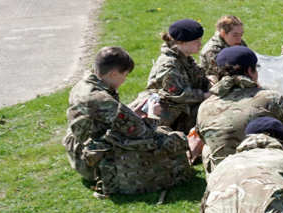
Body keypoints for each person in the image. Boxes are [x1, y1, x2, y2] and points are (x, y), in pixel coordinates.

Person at [64, 46, 189, 196]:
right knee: (170, 139)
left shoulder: (85, 85)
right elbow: (143, 133)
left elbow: (105, 120)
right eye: (125, 75)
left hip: (81, 150)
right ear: (114, 74)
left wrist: (132, 115)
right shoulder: (99, 98)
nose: (125, 79)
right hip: (95, 162)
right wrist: (152, 115)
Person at [196, 46, 283, 172]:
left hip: (224, 175)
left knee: (207, 149)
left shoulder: (205, 106)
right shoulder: (270, 97)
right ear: (249, 71)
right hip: (266, 171)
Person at [134, 19, 211, 132]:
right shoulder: (169, 64)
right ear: (181, 42)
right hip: (165, 112)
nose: (200, 44)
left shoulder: (185, 58)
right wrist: (206, 95)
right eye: (196, 41)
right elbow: (177, 94)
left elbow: (197, 79)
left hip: (179, 108)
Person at [200, 15, 247, 82]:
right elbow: (223, 74)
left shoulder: (236, 42)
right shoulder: (213, 50)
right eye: (235, 35)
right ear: (223, 34)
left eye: (241, 34)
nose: (239, 39)